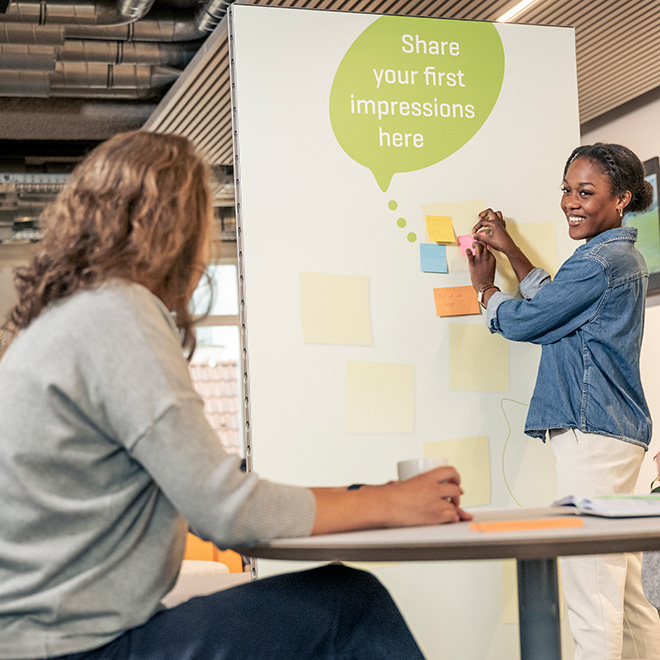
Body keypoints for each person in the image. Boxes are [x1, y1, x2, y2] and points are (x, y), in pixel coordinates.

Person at [0, 130, 472, 660]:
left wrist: (369, 497)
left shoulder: (64, 320)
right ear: (176, 232)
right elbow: (224, 511)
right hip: (75, 650)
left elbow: (214, 495)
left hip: (41, 642)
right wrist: (389, 503)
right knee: (352, 602)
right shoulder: (118, 315)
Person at [467, 142, 660, 660]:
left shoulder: (600, 261)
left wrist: (485, 291)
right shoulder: (614, 257)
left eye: (586, 192)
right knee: (622, 591)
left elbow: (531, 320)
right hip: (613, 433)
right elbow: (555, 300)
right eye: (567, 190)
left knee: (591, 590)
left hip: (591, 431)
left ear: (621, 199)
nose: (571, 202)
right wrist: (510, 249)